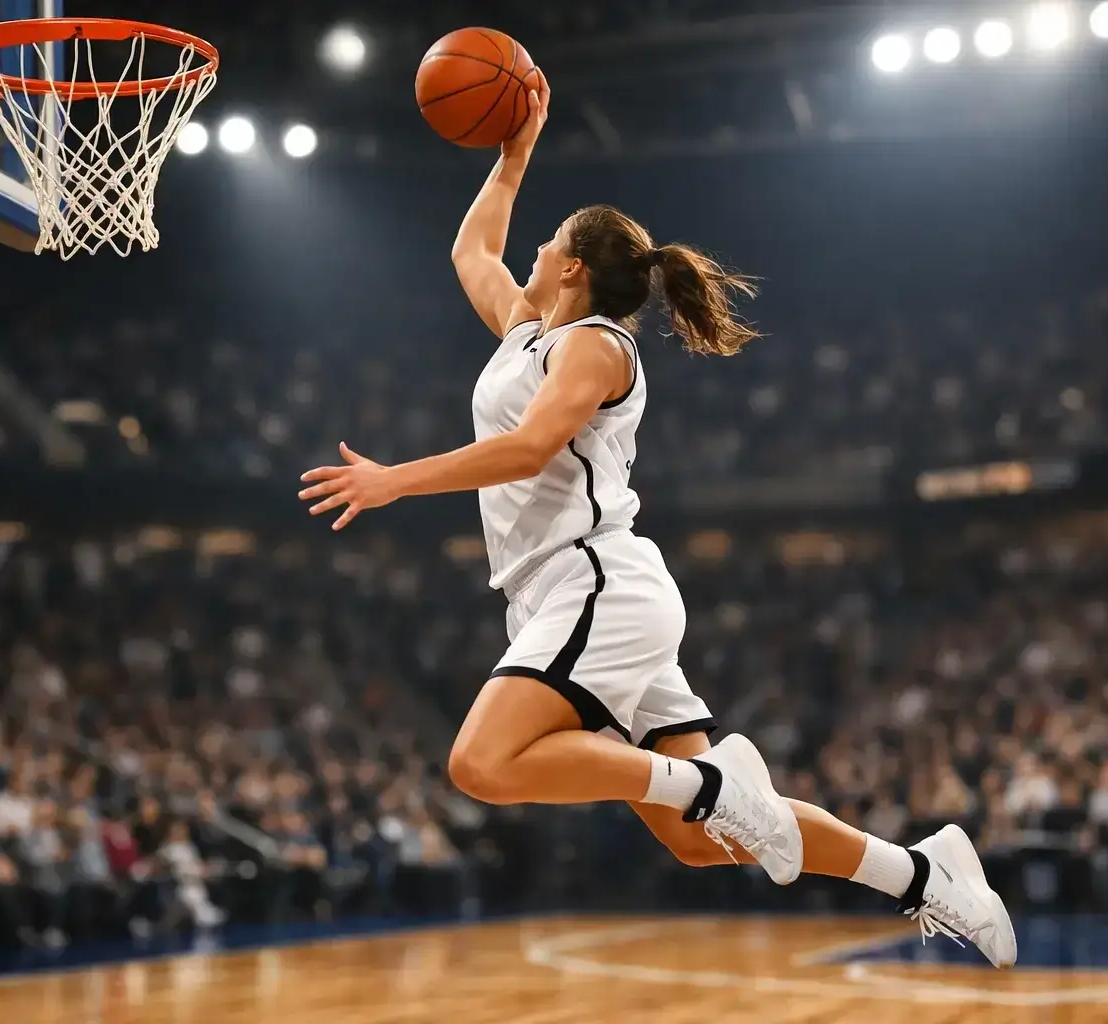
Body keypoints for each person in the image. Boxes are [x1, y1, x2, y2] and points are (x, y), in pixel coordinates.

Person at [299, 82, 1016, 968]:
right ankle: (924, 874)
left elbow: (529, 450)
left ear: (572, 267)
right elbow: (469, 247)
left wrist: (391, 482)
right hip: (563, 596)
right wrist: (515, 152)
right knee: (694, 838)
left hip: (595, 584)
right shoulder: (526, 331)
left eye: (549, 237)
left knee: (480, 764)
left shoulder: (598, 344)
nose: (531, 246)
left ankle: (715, 783)